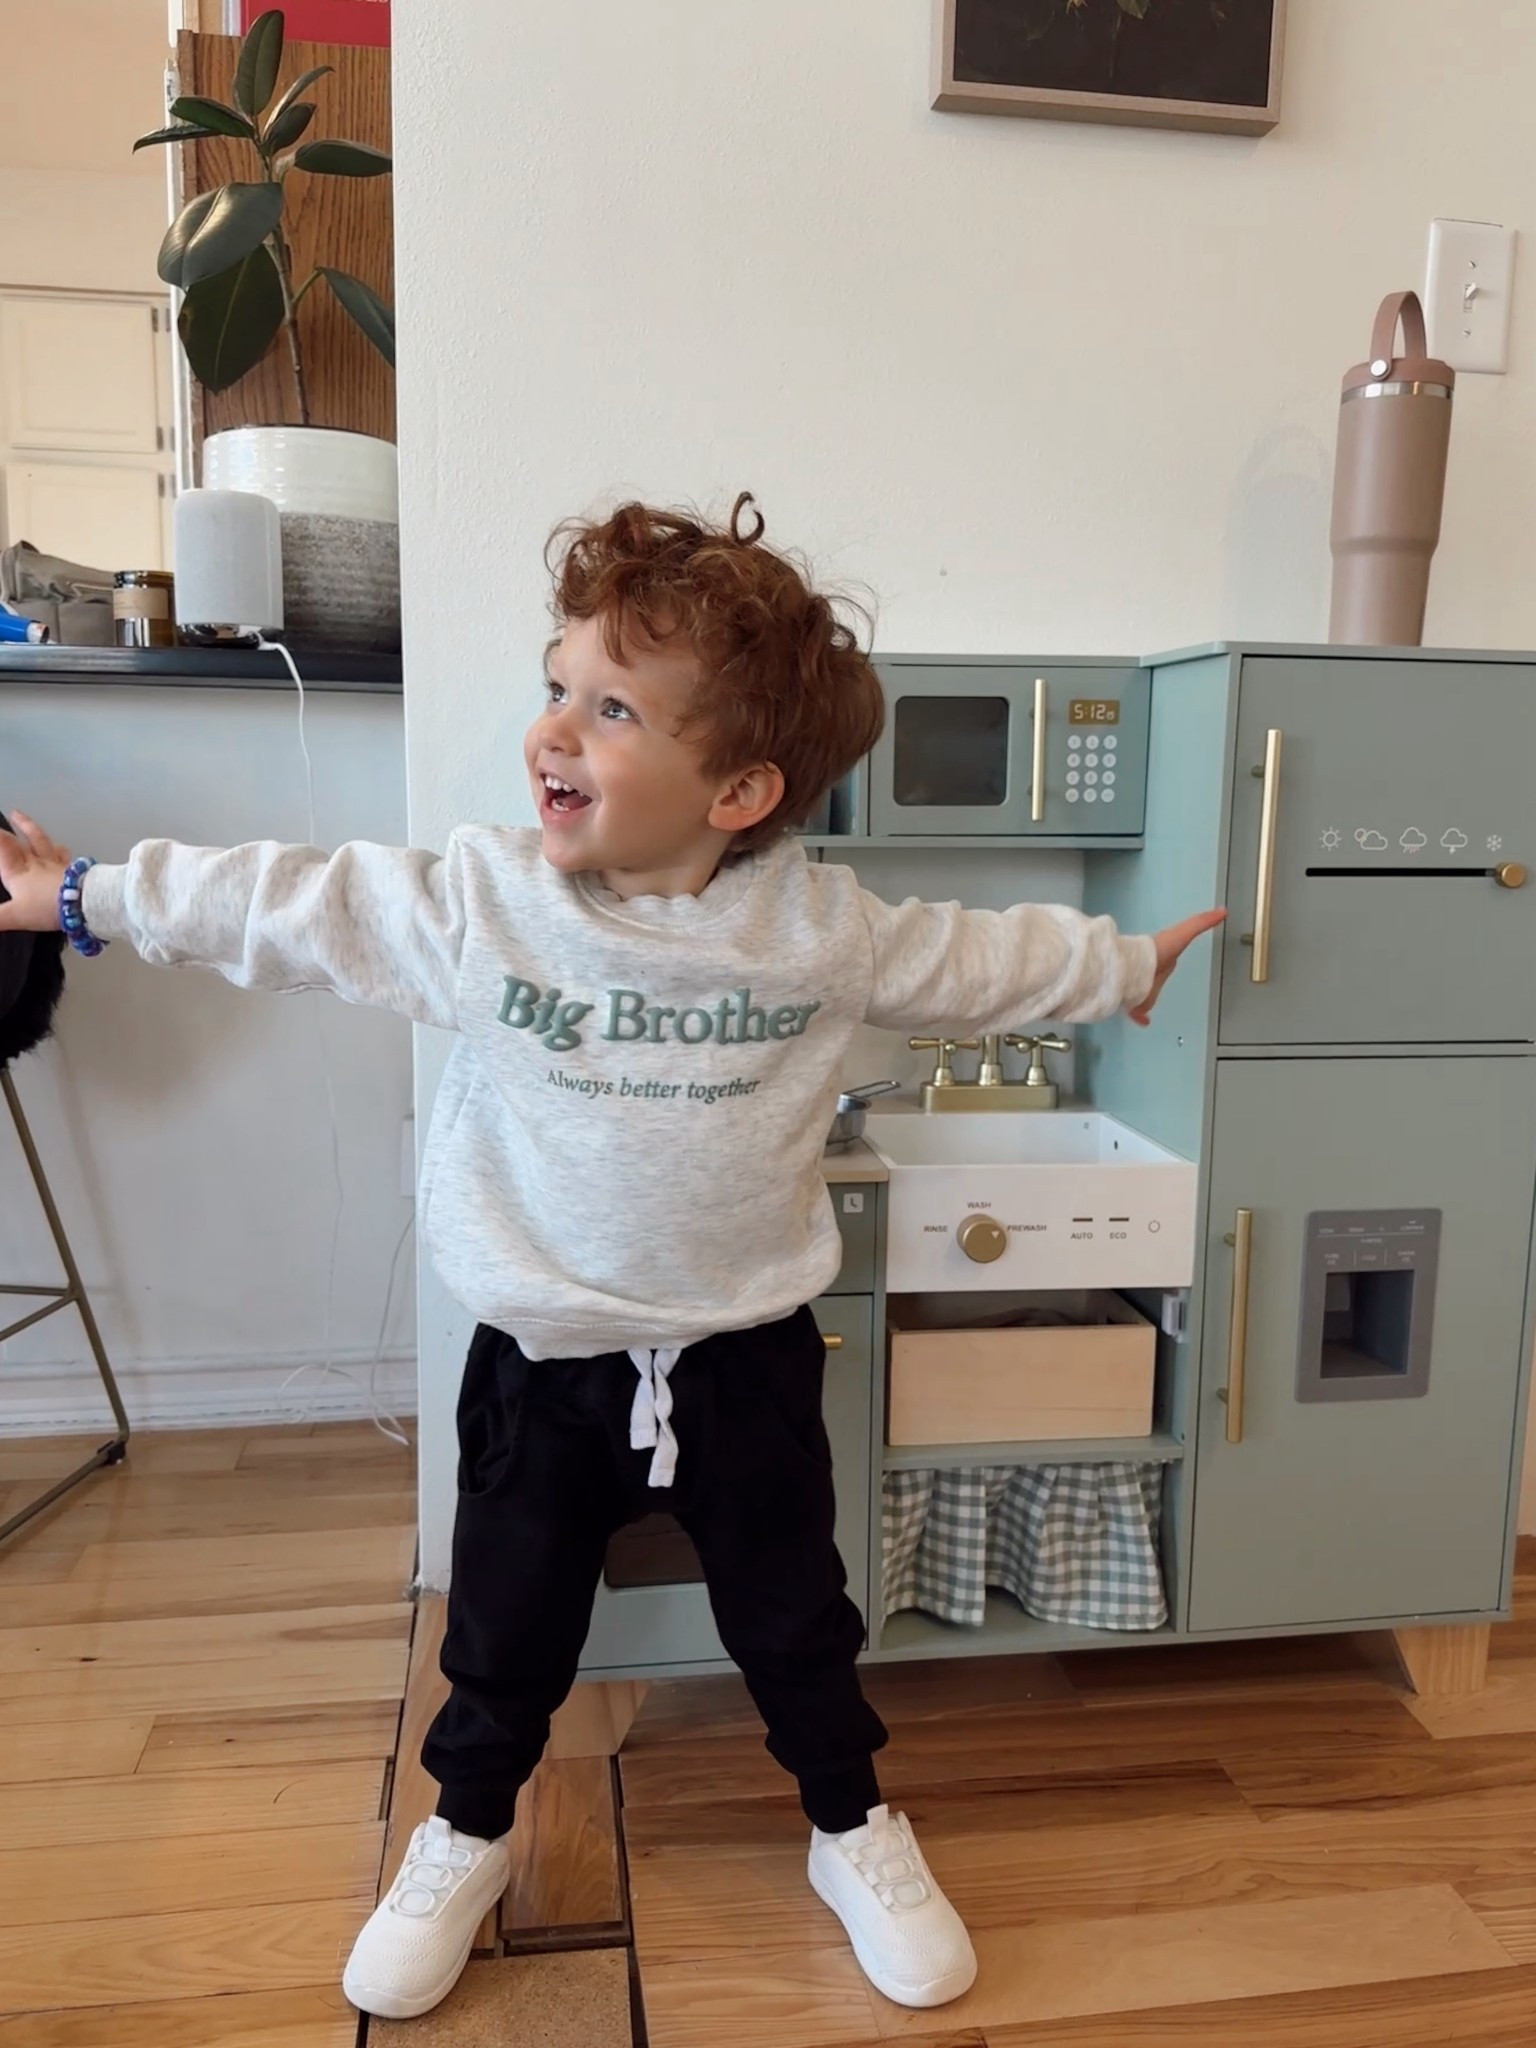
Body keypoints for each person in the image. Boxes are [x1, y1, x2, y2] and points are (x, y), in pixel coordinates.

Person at [0, 493, 1224, 2022]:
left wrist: (1122, 962)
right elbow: (296, 903)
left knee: (796, 1617)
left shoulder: (819, 929)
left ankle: (851, 1825)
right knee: (506, 1627)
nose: (555, 731)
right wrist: (86, 895)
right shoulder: (489, 908)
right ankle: (465, 1833)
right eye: (558, 686)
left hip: (746, 1357)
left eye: (614, 709)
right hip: (546, 1363)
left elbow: (973, 956)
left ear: (740, 790)